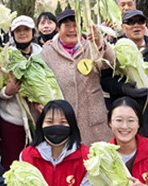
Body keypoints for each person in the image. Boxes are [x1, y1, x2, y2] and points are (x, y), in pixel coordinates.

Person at [41, 9, 115, 144]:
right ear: (58, 29)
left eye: (75, 25)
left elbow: (110, 64)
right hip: (64, 122)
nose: (72, 29)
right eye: (67, 26)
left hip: (94, 122)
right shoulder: (47, 53)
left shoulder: (92, 44)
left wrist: (99, 43)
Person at [101, 9, 148, 139]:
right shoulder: (112, 51)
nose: (136, 25)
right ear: (123, 27)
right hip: (124, 123)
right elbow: (104, 80)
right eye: (130, 22)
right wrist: (123, 87)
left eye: (140, 21)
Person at [0, 16, 43, 170]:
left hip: (38, 121)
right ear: (12, 33)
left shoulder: (42, 54)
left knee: (36, 165)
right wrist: (7, 92)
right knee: (13, 166)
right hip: (12, 121)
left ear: (33, 32)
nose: (22, 33)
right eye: (18, 30)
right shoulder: (4, 57)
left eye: (26, 30)